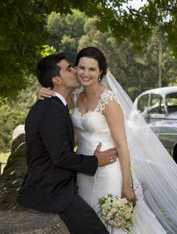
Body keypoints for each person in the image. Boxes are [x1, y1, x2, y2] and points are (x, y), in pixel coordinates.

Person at [39, 47, 177, 234]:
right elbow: (57, 102)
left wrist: (126, 185)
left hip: (108, 171)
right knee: (87, 223)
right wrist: (40, 92)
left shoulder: (108, 101)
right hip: (84, 171)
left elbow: (123, 144)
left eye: (92, 69)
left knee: (113, 223)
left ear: (100, 72)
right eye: (81, 67)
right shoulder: (75, 96)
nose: (85, 73)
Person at [17, 53, 118, 234]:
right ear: (56, 79)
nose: (75, 71)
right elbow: (61, 156)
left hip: (56, 186)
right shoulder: (51, 110)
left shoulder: (53, 104)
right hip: (52, 192)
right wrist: (95, 161)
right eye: (69, 68)